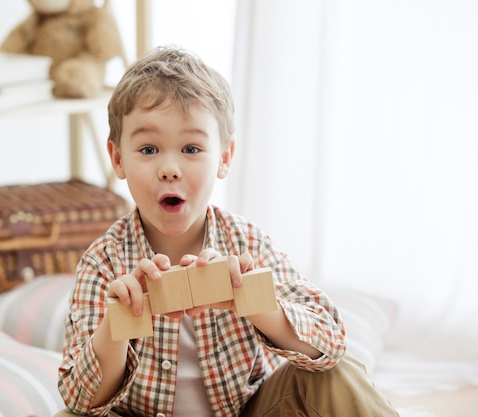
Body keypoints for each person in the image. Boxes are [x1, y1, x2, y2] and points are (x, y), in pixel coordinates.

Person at [57, 45, 398, 417]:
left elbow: (330, 342)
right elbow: (79, 399)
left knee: (334, 375)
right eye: (149, 148)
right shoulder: (104, 261)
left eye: (191, 148)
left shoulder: (246, 243)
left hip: (247, 412)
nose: (169, 168)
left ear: (224, 158)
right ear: (118, 159)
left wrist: (250, 300)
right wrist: (116, 326)